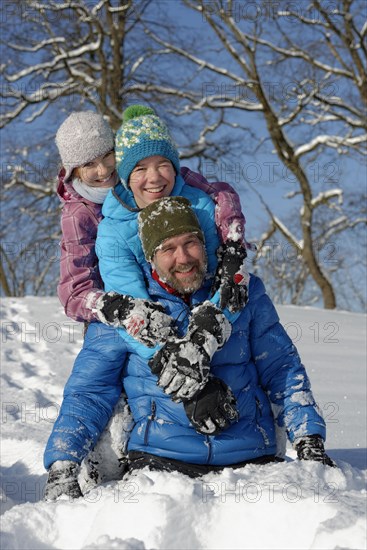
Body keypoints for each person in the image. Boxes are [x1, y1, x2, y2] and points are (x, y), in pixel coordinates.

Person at [44, 196, 334, 500]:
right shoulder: (127, 313)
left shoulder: (241, 295)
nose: (183, 258)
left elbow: (282, 369)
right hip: (159, 471)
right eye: (167, 249)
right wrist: (63, 463)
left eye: (190, 243)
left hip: (253, 462)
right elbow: (90, 390)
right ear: (150, 259)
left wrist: (308, 439)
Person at [55, 108, 250, 341]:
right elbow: (74, 290)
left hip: (173, 287)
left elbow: (220, 194)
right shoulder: (78, 215)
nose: (104, 170)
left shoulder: (145, 172)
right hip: (118, 312)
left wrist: (232, 244)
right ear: (73, 171)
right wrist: (114, 307)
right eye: (89, 164)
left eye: (108, 155)